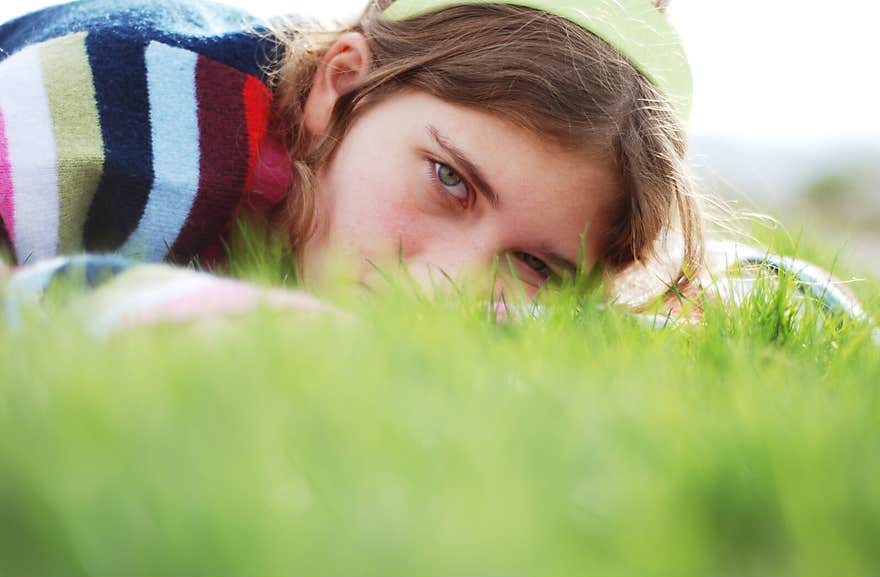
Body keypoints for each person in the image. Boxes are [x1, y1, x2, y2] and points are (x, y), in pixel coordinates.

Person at [2, 0, 857, 332]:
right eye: (449, 179)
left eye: (534, 262)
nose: (447, 283)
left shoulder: (534, 308)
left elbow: (761, 306)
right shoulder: (114, 110)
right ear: (339, 90)